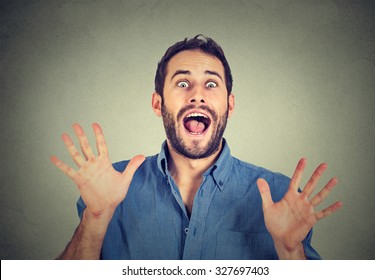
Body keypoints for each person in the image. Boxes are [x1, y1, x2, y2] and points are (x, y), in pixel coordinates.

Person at [50, 35, 342, 260]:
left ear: (229, 105)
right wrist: (96, 219)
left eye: (212, 84)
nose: (198, 95)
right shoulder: (109, 191)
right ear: (157, 103)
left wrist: (290, 252)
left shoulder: (281, 195)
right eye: (182, 83)